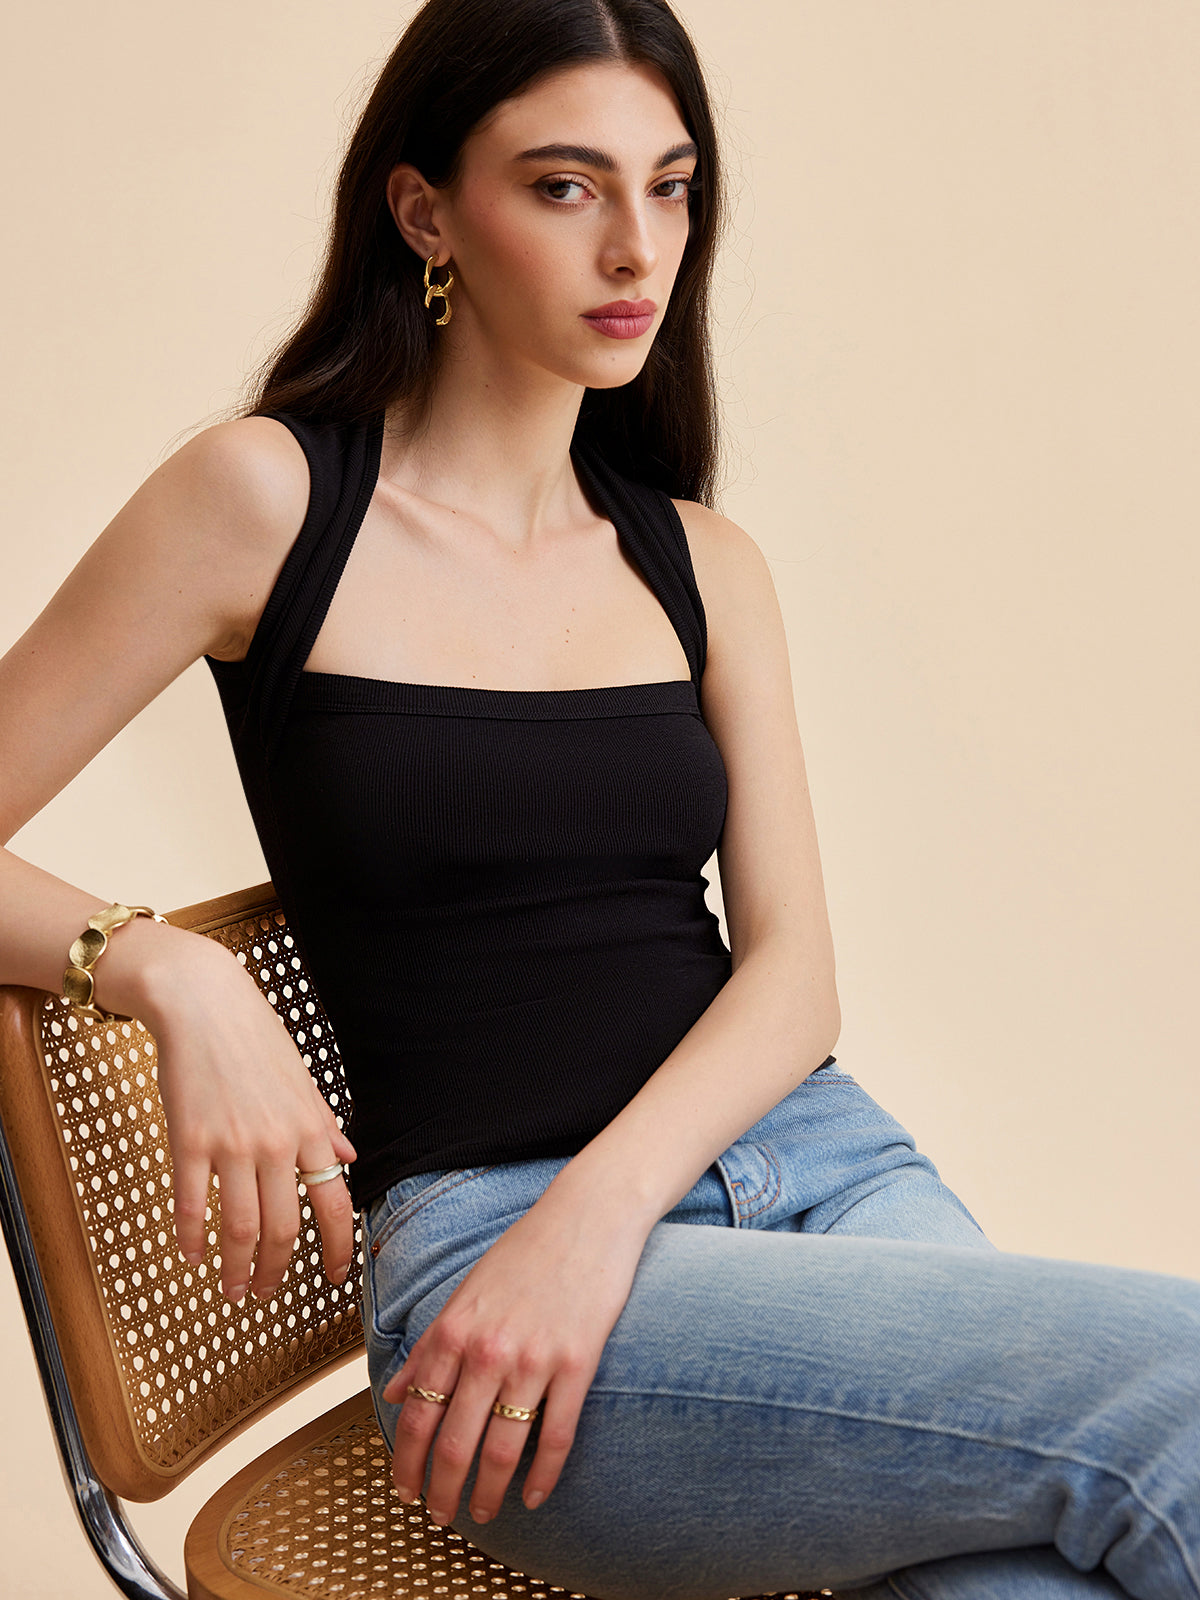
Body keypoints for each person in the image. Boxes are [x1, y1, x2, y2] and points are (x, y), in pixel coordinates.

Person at [1, 2, 1197, 1597]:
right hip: (493, 1268)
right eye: (565, 187)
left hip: (822, 1172)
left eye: (672, 187)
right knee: (1179, 1395)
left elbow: (795, 981)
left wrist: (601, 1216)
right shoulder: (265, 502)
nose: (638, 247)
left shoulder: (704, 563)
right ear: (426, 212)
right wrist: (161, 966)